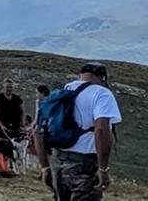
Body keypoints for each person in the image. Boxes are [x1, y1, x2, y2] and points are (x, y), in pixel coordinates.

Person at [41, 62, 122, 201]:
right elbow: (101, 129)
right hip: (84, 164)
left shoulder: (67, 89)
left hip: (58, 160)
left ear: (81, 75)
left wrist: (45, 167)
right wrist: (103, 169)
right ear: (103, 77)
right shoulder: (102, 94)